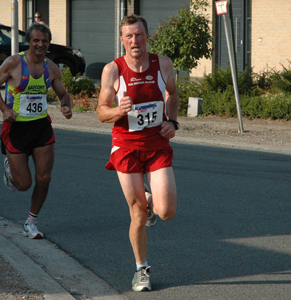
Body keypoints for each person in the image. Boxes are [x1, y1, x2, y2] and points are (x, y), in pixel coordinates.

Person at [96, 14, 179, 292]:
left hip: (156, 144)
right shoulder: (113, 70)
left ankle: (147, 197)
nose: (134, 40)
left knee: (166, 211)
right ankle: (141, 270)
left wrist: (172, 121)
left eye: (139, 34)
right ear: (122, 40)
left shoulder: (162, 64)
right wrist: (118, 111)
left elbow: (172, 94)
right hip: (126, 145)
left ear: (147, 36)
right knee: (138, 214)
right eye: (129, 36)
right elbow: (100, 111)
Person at [0, 23, 72, 239]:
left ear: (48, 43)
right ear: (29, 41)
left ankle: (31, 221)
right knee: (24, 184)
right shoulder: (14, 62)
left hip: (41, 127)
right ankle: (10, 168)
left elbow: (63, 92)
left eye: (44, 41)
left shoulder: (51, 67)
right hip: (15, 128)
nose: (40, 44)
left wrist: (66, 105)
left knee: (44, 178)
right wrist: (4, 109)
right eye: (36, 40)